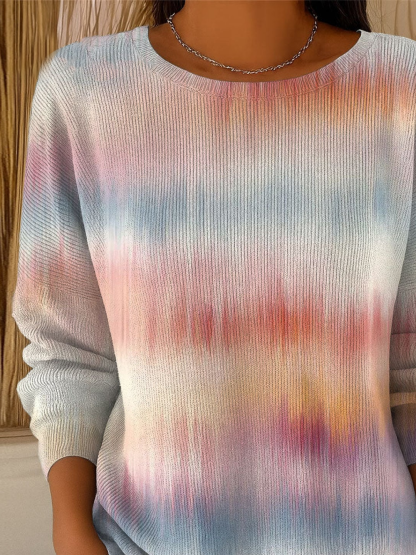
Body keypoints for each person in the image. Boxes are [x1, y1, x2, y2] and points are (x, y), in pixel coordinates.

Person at [11, 0, 416, 554]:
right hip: (146, 539)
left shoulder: (401, 85)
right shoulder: (84, 90)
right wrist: (73, 534)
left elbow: (410, 361)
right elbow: (69, 352)